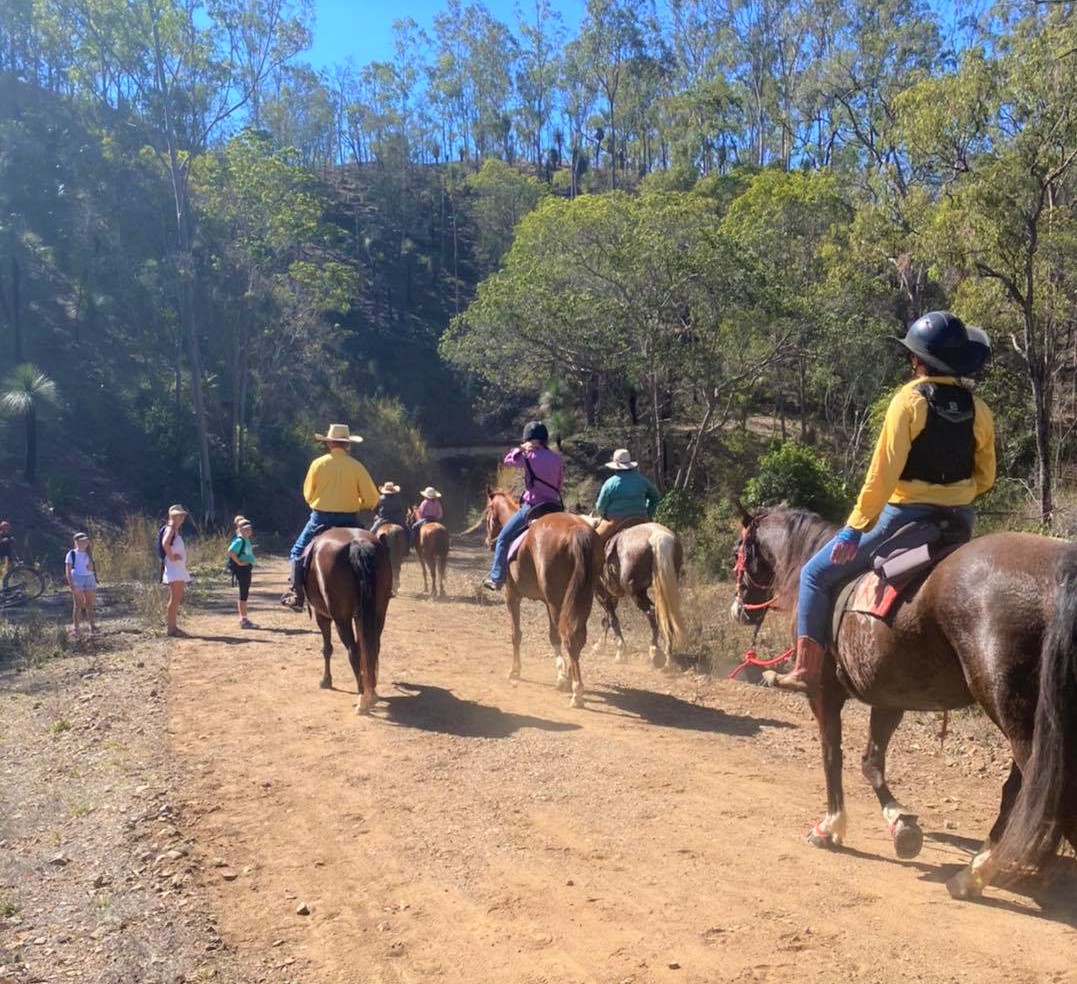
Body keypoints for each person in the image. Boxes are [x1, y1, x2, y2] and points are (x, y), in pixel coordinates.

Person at [768, 311, 996, 695]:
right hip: (959, 520)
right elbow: (986, 475)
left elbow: (882, 474)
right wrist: (954, 496)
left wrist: (855, 528)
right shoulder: (979, 409)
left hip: (904, 517)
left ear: (918, 361)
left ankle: (806, 668)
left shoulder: (908, 401)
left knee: (813, 575)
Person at [281, 423, 379, 610]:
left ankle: (297, 594)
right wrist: (359, 504)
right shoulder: (357, 466)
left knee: (296, 552)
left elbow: (309, 495)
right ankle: (381, 589)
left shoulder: (318, 464)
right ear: (348, 445)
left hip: (321, 519)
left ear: (328, 443)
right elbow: (372, 498)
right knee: (373, 551)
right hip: (350, 520)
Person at [483, 421, 564, 591]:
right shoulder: (557, 458)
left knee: (503, 538)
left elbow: (508, 460)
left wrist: (521, 448)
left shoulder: (528, 457)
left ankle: (496, 577)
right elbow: (559, 483)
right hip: (555, 505)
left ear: (528, 439)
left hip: (533, 506)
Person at [593, 448, 661, 545]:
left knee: (593, 543)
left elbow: (600, 506)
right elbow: (655, 497)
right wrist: (648, 512)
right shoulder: (642, 480)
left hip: (615, 521)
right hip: (641, 518)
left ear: (615, 467)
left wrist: (604, 515)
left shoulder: (610, 483)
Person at [161, 505, 191, 638]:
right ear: (172, 516)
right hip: (175, 569)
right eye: (179, 515)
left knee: (177, 598)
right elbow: (165, 543)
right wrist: (172, 557)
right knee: (175, 599)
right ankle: (171, 629)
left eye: (183, 515)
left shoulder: (174, 530)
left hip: (177, 568)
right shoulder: (171, 529)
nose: (182, 518)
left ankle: (173, 627)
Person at [65, 532, 98, 638]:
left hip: (89, 578)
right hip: (77, 578)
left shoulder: (90, 553)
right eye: (81, 541)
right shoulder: (71, 554)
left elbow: (92, 567)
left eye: (86, 541)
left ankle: (92, 626)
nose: (84, 543)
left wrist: (91, 567)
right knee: (78, 605)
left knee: (90, 604)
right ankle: (76, 628)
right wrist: (71, 585)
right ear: (76, 542)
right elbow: (68, 571)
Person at [227, 516, 257, 629]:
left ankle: (244, 618)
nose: (248, 531)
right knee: (243, 594)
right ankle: (243, 619)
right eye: (245, 529)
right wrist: (239, 562)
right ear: (240, 530)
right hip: (242, 569)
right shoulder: (240, 540)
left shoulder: (245, 540)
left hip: (246, 568)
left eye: (249, 529)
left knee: (244, 593)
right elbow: (230, 551)